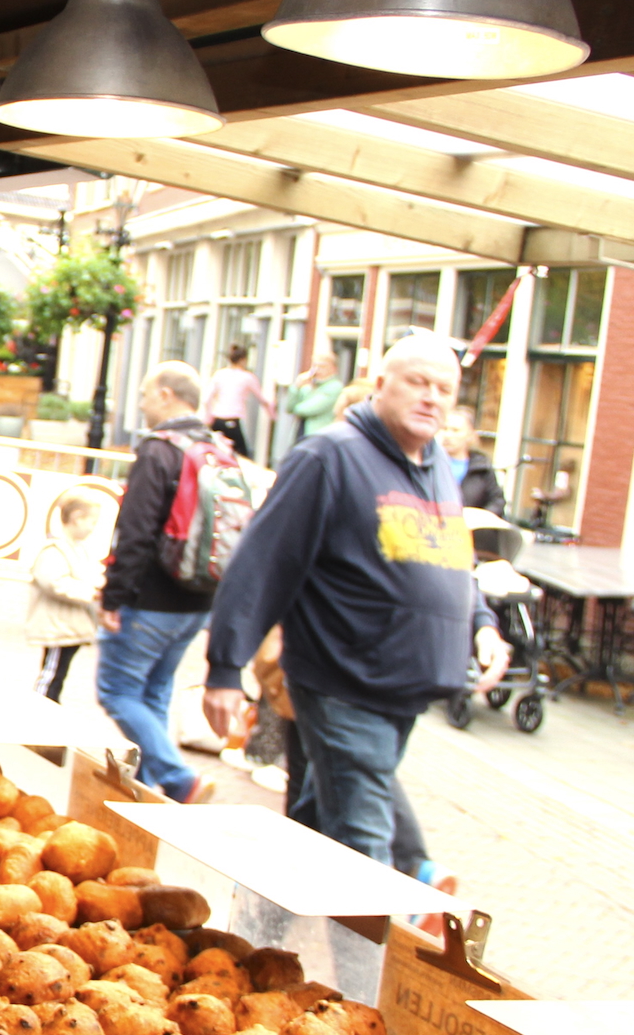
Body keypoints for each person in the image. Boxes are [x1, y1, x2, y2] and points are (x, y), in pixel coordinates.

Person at [202, 334, 510, 865]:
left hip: (406, 689)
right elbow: (262, 562)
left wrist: (482, 625)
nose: (431, 398)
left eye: (445, 389)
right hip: (345, 680)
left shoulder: (436, 465)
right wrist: (225, 667)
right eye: (418, 382)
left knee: (318, 818)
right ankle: (396, 929)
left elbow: (453, 560)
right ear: (382, 384)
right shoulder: (329, 458)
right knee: (366, 844)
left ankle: (271, 929)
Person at [97, 361, 219, 803]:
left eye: (146, 394)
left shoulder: (159, 450)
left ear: (167, 395)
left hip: (150, 598)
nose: (142, 403)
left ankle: (177, 777)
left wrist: (114, 596)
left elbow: (135, 530)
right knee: (153, 692)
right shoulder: (214, 450)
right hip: (197, 600)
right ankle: (143, 789)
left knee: (116, 689)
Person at [27, 490, 106, 703]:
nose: (93, 528)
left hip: (70, 626)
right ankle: (37, 707)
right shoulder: (54, 549)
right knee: (51, 673)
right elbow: (54, 583)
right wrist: (90, 592)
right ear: (77, 518)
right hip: (58, 626)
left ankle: (49, 705)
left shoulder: (80, 549)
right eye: (92, 521)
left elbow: (92, 574)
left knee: (58, 673)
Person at [201, 342, 275, 459]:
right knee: (241, 455)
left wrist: (208, 418)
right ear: (243, 360)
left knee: (213, 452)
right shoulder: (247, 377)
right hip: (233, 420)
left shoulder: (220, 374)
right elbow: (263, 399)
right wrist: (272, 415)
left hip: (217, 419)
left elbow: (206, 399)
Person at [441, 406, 505, 516]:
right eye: (445, 429)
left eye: (455, 430)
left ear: (470, 435)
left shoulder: (482, 467)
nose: (448, 435)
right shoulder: (429, 462)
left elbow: (497, 501)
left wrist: (479, 518)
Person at [284, 351, 343, 443]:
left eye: (322, 367)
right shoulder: (309, 386)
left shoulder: (335, 387)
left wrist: (298, 404)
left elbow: (307, 410)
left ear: (334, 369)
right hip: (300, 434)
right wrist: (296, 387)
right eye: (314, 366)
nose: (317, 370)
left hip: (317, 439)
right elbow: (289, 408)